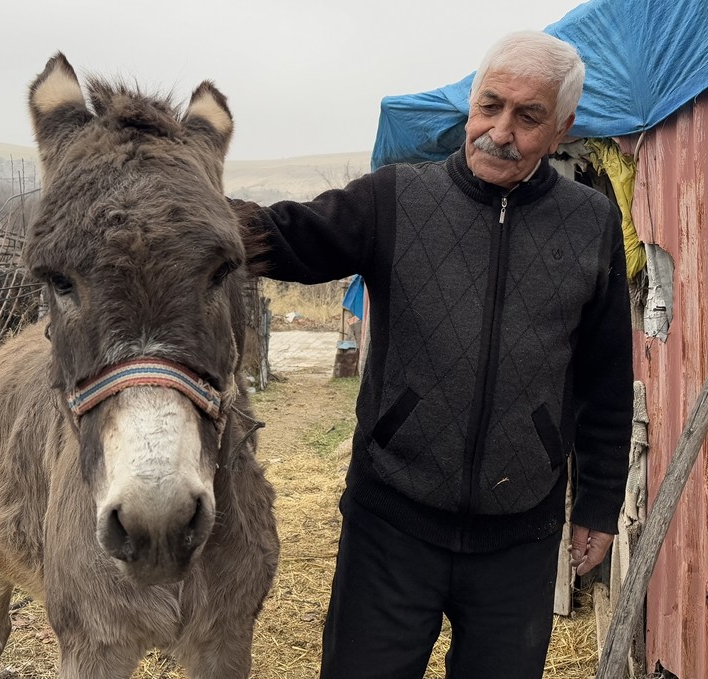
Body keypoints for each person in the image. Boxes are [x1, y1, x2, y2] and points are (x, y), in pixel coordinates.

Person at [241, 30, 633, 678]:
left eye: (527, 116)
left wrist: (598, 505)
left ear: (561, 129)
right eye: (489, 105)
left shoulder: (590, 224)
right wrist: (187, 212)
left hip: (521, 535)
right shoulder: (396, 198)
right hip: (390, 522)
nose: (499, 131)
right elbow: (292, 237)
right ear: (471, 106)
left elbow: (606, 378)